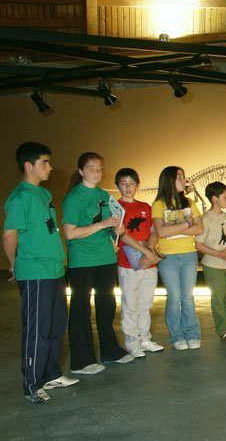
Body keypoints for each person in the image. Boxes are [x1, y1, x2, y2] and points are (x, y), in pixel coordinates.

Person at [3, 142, 77, 403]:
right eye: (44, 162)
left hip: (54, 269)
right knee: (38, 329)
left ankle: (50, 374)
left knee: (56, 325)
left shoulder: (44, 194)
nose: (50, 167)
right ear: (28, 165)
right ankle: (32, 384)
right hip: (35, 271)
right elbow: (9, 235)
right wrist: (14, 263)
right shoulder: (20, 196)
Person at [62, 152, 132, 374]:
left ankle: (110, 351)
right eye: (91, 168)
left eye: (100, 168)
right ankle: (82, 360)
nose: (96, 172)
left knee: (106, 304)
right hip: (83, 259)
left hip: (106, 257)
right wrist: (102, 225)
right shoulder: (74, 197)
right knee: (81, 307)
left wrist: (118, 229)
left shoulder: (104, 195)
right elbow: (71, 233)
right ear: (81, 171)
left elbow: (112, 227)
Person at [152, 166, 204, 350]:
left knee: (187, 297)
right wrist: (187, 224)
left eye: (183, 176)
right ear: (169, 180)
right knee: (174, 297)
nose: (184, 180)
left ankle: (192, 334)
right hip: (168, 257)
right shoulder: (159, 204)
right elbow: (161, 231)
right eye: (179, 177)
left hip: (189, 255)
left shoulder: (189, 203)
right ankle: (176, 336)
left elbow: (199, 228)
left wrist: (174, 228)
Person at [115, 167, 164, 358]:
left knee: (145, 303)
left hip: (148, 262)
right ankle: (132, 342)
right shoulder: (116, 208)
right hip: (128, 263)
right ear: (118, 186)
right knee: (130, 304)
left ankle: (145, 338)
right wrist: (145, 251)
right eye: (123, 184)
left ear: (137, 185)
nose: (128, 188)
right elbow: (123, 235)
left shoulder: (145, 207)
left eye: (131, 184)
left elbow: (153, 231)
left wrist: (149, 251)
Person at [195, 182, 226, 341]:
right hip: (213, 265)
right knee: (218, 298)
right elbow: (199, 244)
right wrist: (218, 254)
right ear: (214, 198)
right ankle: (222, 329)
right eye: (225, 197)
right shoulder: (205, 219)